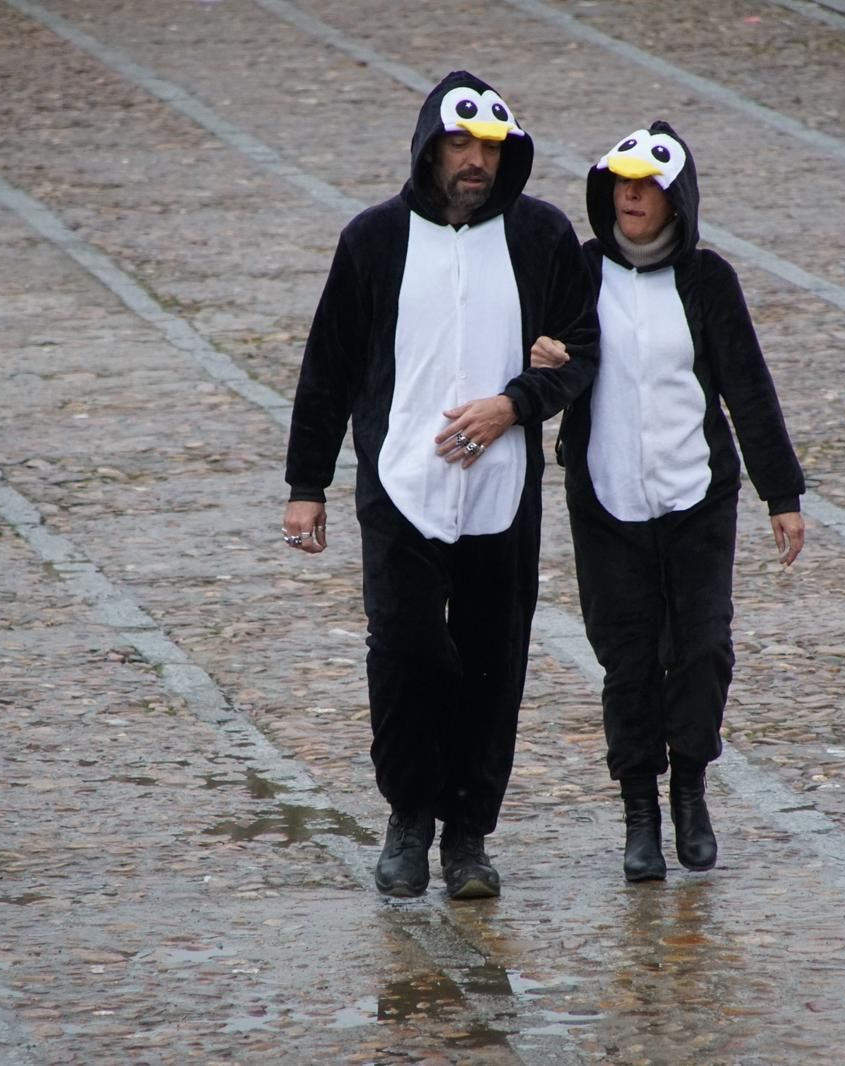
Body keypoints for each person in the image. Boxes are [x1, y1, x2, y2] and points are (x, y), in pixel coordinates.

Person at [281, 72, 599, 900]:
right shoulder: (373, 240)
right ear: (429, 146)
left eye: (489, 149)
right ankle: (408, 820)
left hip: (502, 495)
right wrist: (306, 483)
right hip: (400, 489)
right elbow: (330, 368)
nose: (475, 164)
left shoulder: (541, 236)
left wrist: (515, 405)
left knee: (495, 664)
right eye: (460, 145)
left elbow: (584, 352)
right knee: (408, 656)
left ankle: (467, 837)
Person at [530, 122, 805, 882]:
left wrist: (781, 492)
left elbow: (747, 386)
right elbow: (537, 358)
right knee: (627, 658)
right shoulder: (579, 272)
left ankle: (690, 789)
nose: (632, 198)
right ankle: (639, 814)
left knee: (702, 648)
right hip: (606, 499)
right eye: (621, 186)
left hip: (697, 497)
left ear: (675, 200)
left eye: (647, 187)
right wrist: (537, 356)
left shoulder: (708, 280)